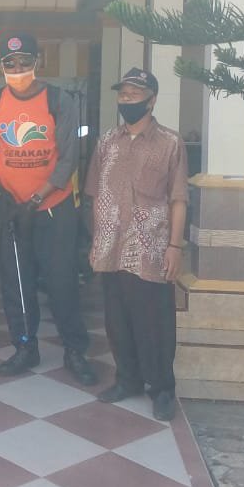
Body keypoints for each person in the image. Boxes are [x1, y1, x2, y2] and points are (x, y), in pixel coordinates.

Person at [0, 32, 96, 385]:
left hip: (53, 208)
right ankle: (25, 347)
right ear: (2, 66)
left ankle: (75, 350)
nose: (17, 69)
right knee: (16, 282)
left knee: (61, 282)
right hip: (11, 210)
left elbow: (69, 159)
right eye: (10, 63)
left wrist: (38, 199)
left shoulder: (58, 100)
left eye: (24, 62)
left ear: (36, 62)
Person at [86, 68, 188, 421]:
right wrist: (95, 240)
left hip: (150, 249)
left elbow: (178, 199)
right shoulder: (106, 142)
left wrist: (175, 247)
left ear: (151, 100)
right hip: (110, 247)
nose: (127, 99)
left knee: (154, 323)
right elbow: (94, 193)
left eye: (134, 94)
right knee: (117, 320)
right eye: (123, 94)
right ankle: (127, 379)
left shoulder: (170, 143)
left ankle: (162, 389)